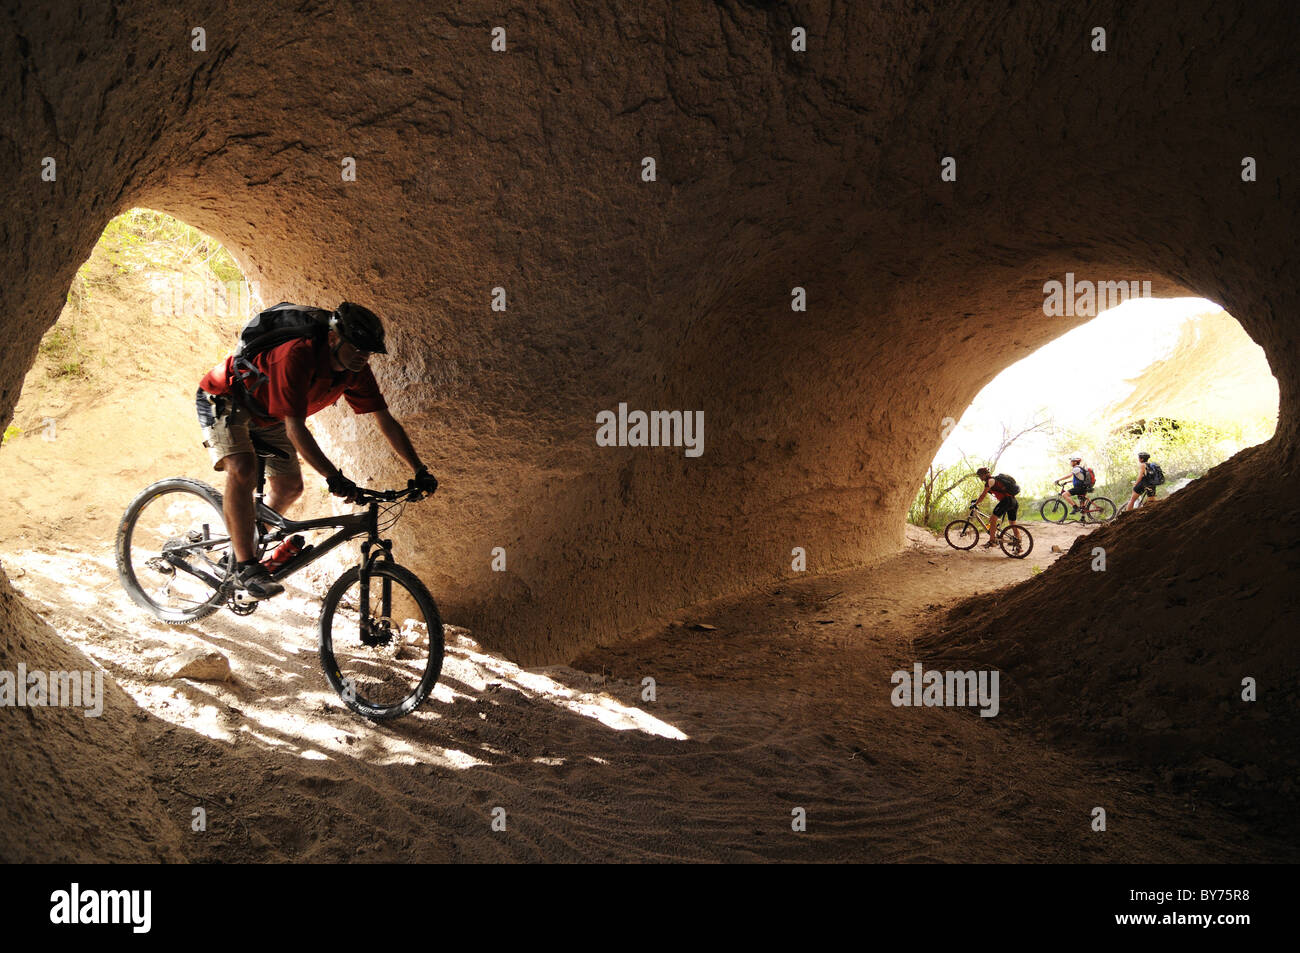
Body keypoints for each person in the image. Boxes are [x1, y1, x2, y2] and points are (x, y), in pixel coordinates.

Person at [195, 302, 438, 599]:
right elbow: (296, 429)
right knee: (243, 469)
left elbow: (384, 420)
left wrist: (419, 469)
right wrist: (333, 477)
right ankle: (246, 565)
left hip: (271, 414)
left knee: (289, 487)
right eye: (357, 347)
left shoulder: (355, 370)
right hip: (226, 397)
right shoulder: (298, 355)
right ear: (334, 338)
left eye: (368, 351)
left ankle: (242, 541)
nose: (363, 356)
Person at [972, 466, 1020, 548]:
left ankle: (992, 541)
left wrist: (975, 504)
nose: (980, 477)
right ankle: (1018, 543)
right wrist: (977, 500)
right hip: (1013, 501)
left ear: (985, 475)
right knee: (1012, 524)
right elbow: (985, 495)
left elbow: (983, 495)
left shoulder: (989, 481)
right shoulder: (994, 480)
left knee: (993, 519)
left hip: (1006, 501)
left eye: (980, 475)